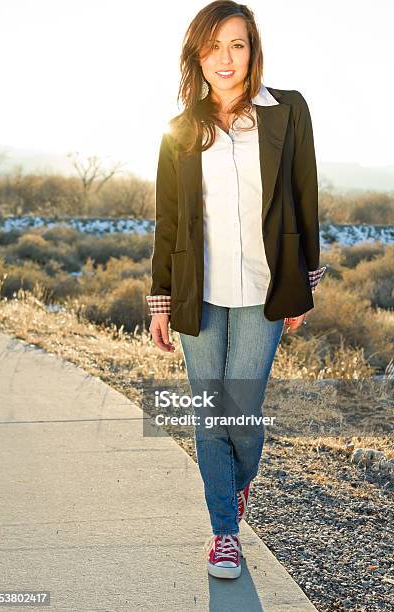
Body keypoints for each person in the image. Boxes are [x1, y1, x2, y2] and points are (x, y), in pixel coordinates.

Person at [146, 0, 327, 580]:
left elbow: (305, 194)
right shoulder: (180, 128)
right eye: (213, 46)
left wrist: (304, 284)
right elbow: (167, 220)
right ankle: (225, 531)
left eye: (237, 44)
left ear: (253, 50)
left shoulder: (288, 111)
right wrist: (160, 299)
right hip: (198, 292)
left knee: (242, 412)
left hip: (265, 290)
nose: (225, 59)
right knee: (208, 410)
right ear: (196, 54)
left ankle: (232, 486)